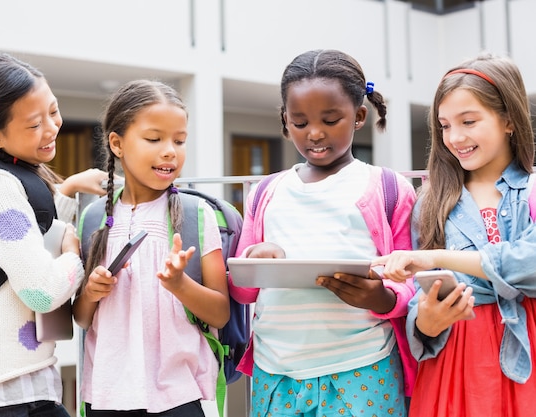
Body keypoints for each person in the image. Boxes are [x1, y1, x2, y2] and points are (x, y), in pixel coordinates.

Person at [228, 49, 417, 417]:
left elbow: (412, 280)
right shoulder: (266, 192)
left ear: (359, 115)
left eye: (331, 120)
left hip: (363, 367)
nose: (314, 133)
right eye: (299, 123)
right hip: (276, 372)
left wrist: (381, 297)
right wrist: (256, 261)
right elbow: (243, 289)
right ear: (285, 121)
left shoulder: (388, 187)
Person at [0, 52, 110, 417]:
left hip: (11, 380)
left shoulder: (7, 176)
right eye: (33, 125)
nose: (51, 128)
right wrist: (74, 255)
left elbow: (30, 234)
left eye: (53, 111)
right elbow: (41, 292)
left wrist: (69, 188)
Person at [373, 53, 536, 416]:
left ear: (508, 120)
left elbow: (530, 265)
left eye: (469, 121)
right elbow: (419, 302)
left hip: (528, 353)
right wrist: (428, 320)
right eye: (445, 125)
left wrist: (437, 258)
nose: (455, 137)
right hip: (455, 364)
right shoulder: (431, 202)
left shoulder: (532, 191)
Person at [72, 79, 230, 417]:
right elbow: (82, 317)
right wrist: (91, 292)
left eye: (180, 140)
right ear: (117, 143)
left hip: (182, 394)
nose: (170, 150)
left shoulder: (196, 215)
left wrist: (179, 285)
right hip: (106, 393)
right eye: (154, 139)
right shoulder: (93, 217)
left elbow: (219, 313)